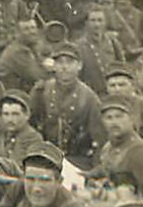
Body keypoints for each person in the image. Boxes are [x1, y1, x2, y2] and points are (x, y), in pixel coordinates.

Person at [27, 42, 105, 171]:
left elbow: (99, 137)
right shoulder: (41, 91)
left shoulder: (89, 98)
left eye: (69, 62)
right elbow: (30, 124)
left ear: (79, 65)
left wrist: (94, 168)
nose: (64, 67)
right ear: (54, 66)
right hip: (45, 157)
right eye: (60, 63)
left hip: (77, 159)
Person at [88, 95, 143, 196]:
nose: (114, 122)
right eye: (109, 118)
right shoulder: (107, 148)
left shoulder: (139, 150)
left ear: (131, 119)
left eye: (119, 116)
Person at [0, 16, 46, 93]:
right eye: (26, 29)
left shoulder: (30, 47)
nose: (32, 32)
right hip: (8, 94)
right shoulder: (17, 51)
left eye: (33, 28)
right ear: (18, 33)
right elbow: (37, 76)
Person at [76, 7, 125, 91]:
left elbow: (122, 67)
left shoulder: (113, 43)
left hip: (112, 93)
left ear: (105, 22)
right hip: (91, 94)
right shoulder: (79, 46)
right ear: (86, 23)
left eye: (100, 20)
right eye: (93, 20)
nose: (97, 25)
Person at [103, 65, 143, 139]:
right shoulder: (103, 109)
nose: (117, 89)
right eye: (112, 85)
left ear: (133, 86)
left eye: (122, 85)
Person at [0, 91, 44, 166]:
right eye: (6, 114)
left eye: (15, 114)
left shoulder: (33, 138)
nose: (10, 119)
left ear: (26, 115)